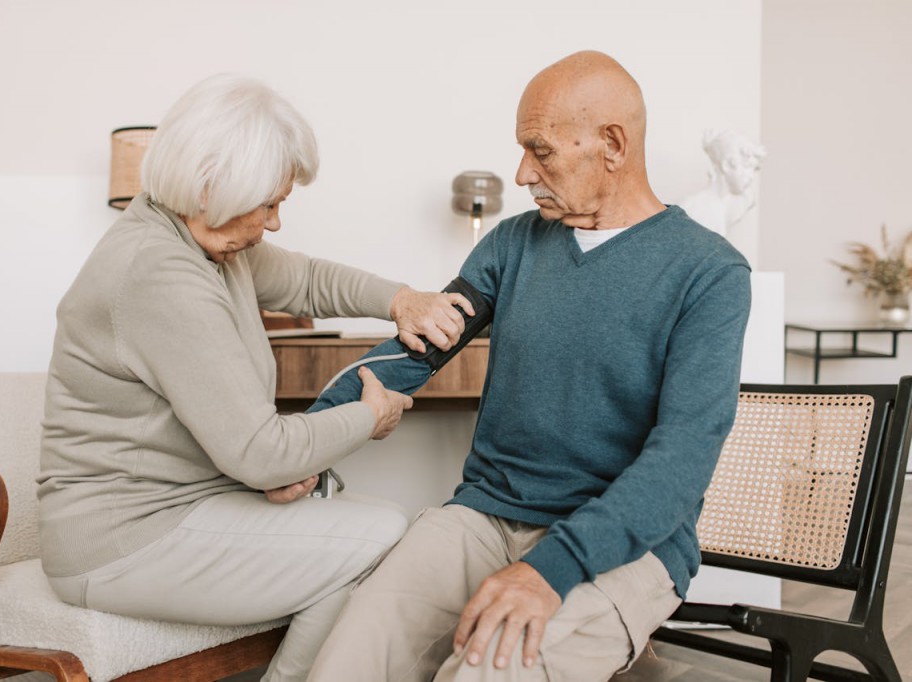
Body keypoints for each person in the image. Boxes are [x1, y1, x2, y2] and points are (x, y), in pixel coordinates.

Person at [307, 50, 752, 681]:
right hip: (485, 516)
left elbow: (681, 461)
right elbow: (416, 353)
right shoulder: (513, 244)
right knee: (351, 653)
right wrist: (307, 440)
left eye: (540, 150)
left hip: (625, 546)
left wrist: (553, 569)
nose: (522, 173)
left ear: (613, 145)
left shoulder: (709, 272)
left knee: (489, 669)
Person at [36, 74, 472, 682]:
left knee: (356, 526)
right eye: (269, 203)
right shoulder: (159, 274)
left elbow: (306, 280)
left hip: (181, 507)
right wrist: (369, 417)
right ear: (212, 186)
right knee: (380, 534)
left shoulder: (200, 239)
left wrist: (399, 299)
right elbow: (261, 454)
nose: (274, 222)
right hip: (123, 541)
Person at [679, 128, 767, 237]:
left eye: (753, 169)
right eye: (747, 167)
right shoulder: (698, 209)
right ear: (727, 166)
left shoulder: (733, 203)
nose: (751, 176)